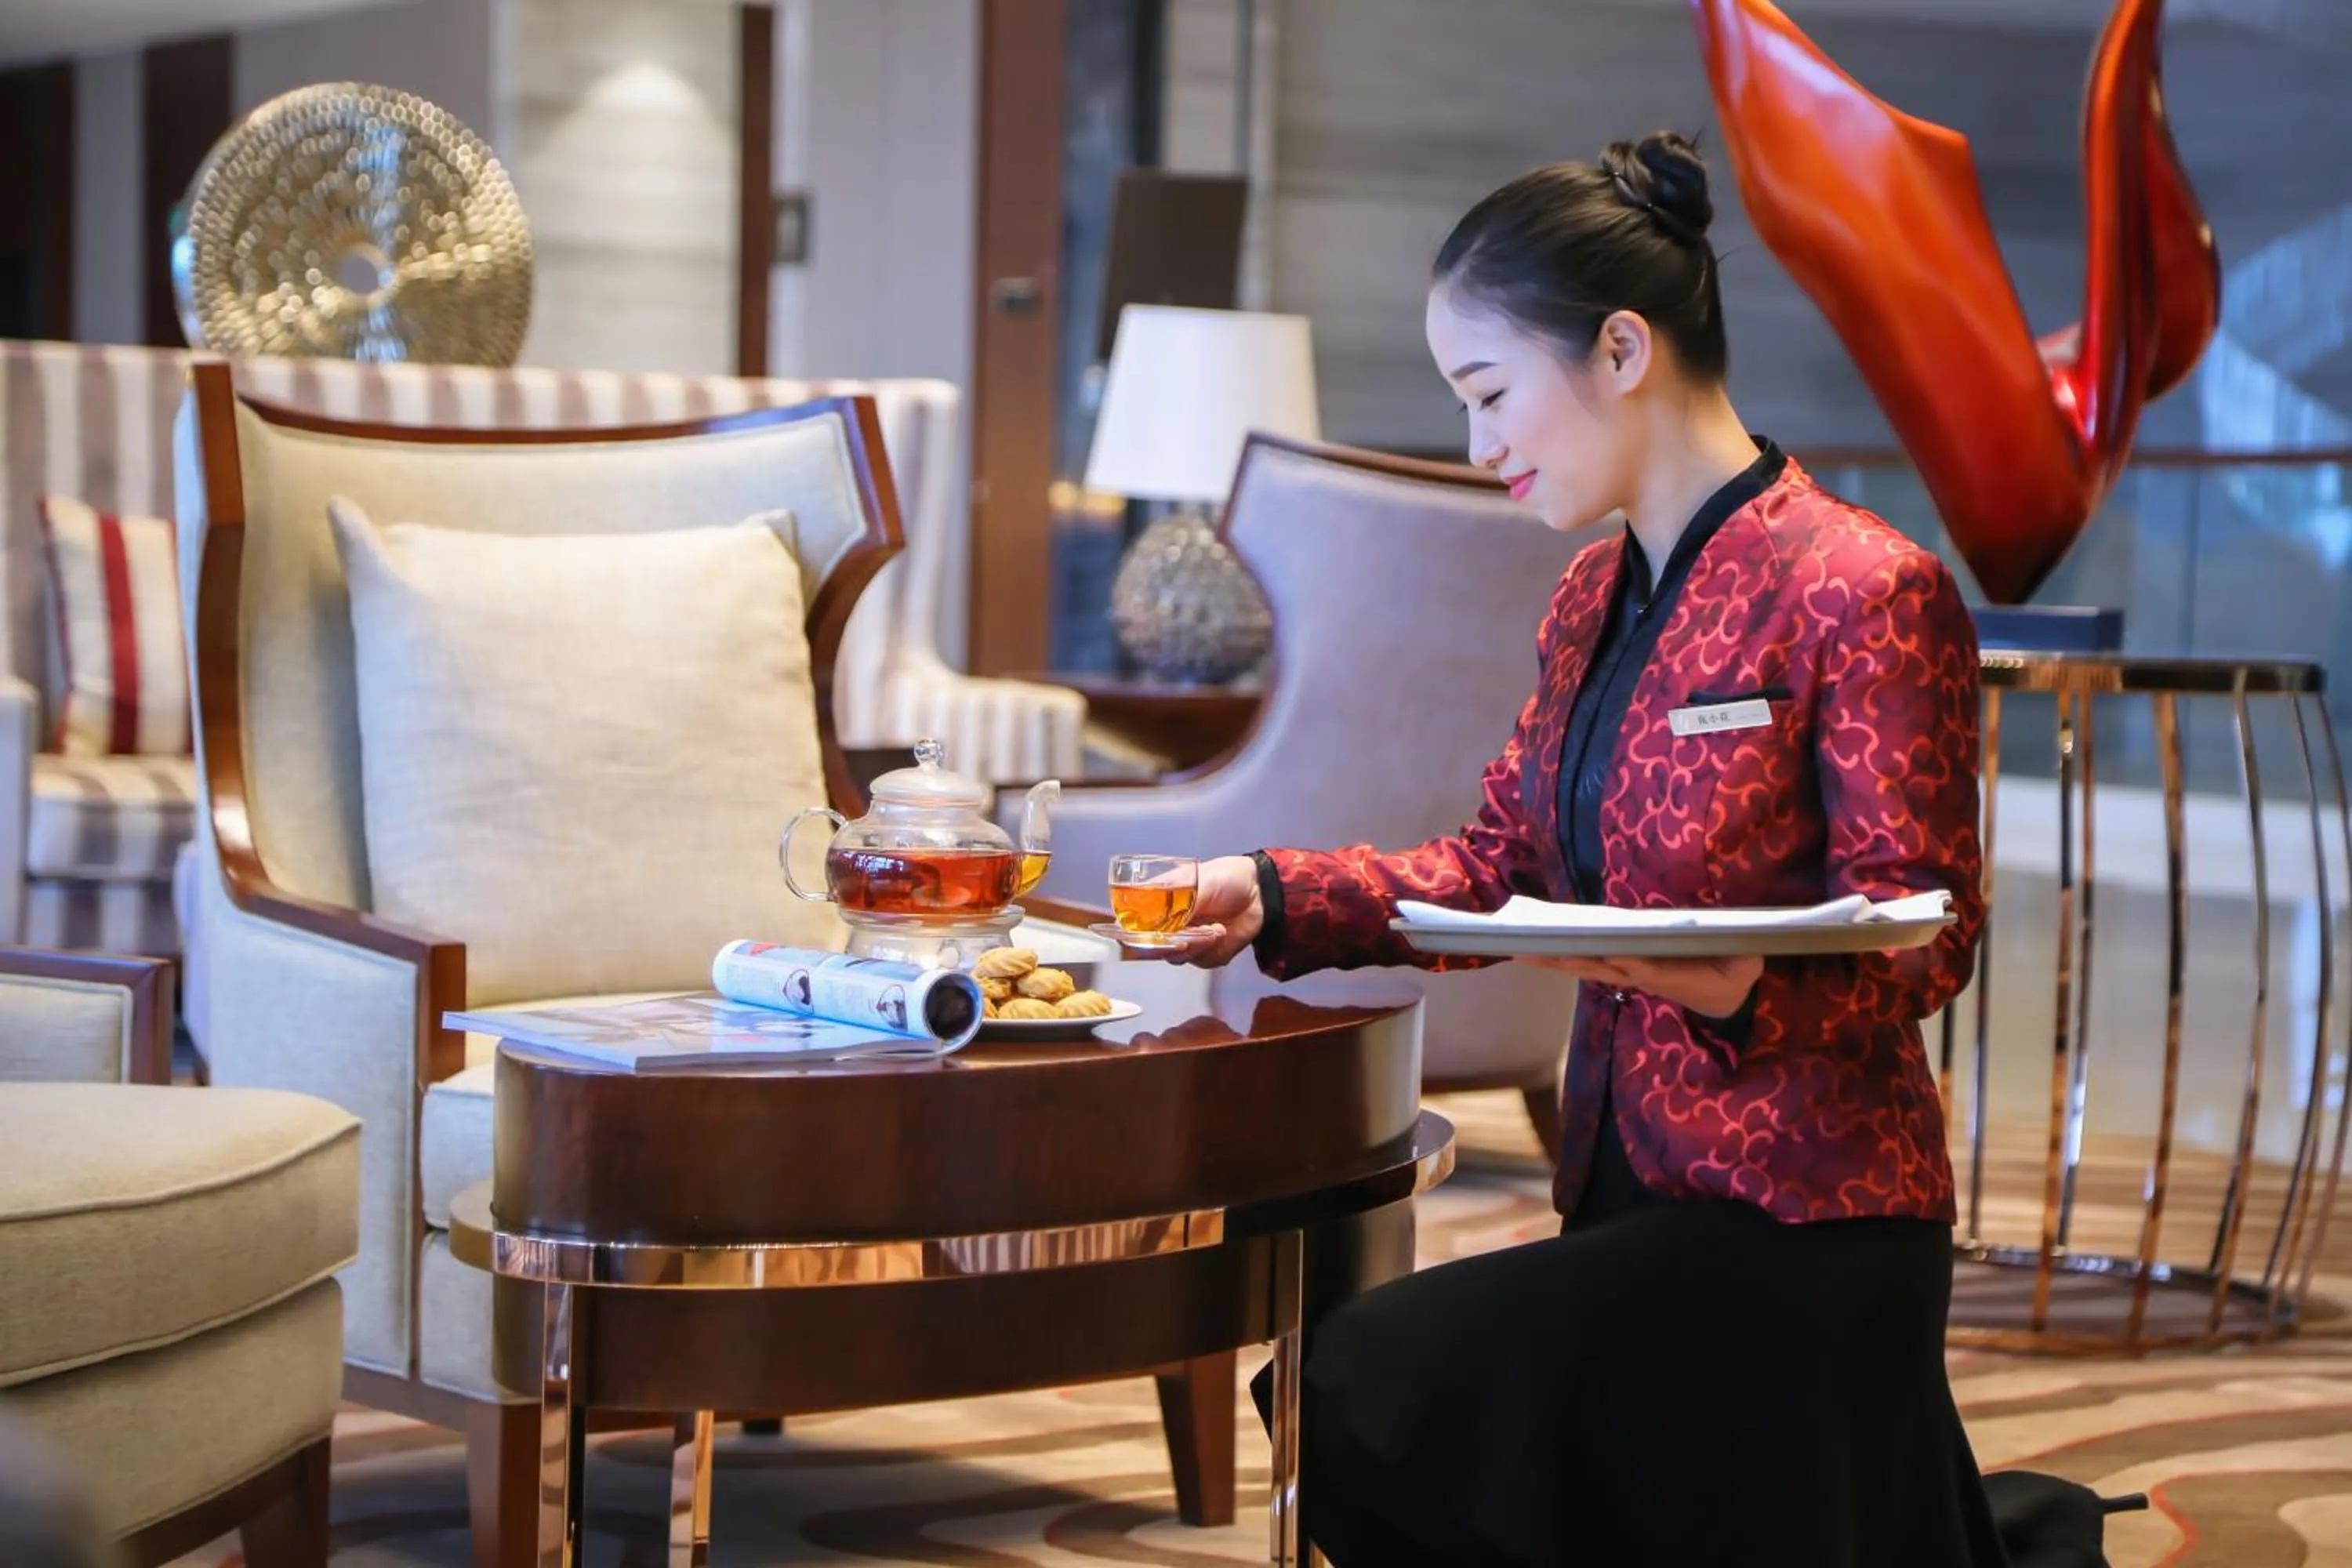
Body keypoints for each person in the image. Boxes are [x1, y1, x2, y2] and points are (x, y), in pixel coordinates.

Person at [1166, 132, 2111, 1566]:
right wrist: (1276, 891)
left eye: (1489, 393)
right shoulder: (1588, 597)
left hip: (1806, 1219)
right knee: (1367, 1393)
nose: (1479, 445)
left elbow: (1935, 938)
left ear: (1620, 348)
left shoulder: (1863, 589)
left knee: (1374, 1387)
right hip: (1627, 1189)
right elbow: (1497, 867)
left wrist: (1734, 981)